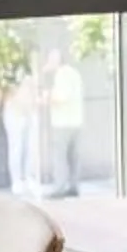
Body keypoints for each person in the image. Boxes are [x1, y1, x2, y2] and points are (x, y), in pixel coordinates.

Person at [46, 55, 85, 195]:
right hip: (76, 121)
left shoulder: (61, 75)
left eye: (50, 60)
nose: (47, 63)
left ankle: (59, 187)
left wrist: (46, 97)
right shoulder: (75, 73)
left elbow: (61, 98)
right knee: (74, 156)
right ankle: (74, 186)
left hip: (62, 123)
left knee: (60, 157)